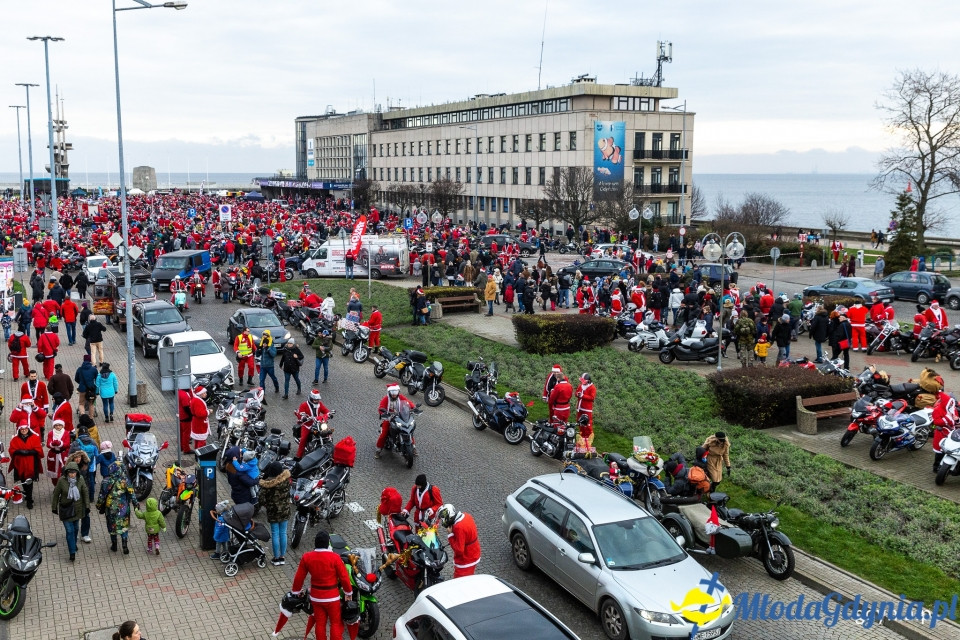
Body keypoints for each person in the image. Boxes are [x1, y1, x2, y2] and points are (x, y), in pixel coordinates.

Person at [290, 530, 353, 640]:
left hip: (316, 597)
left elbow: (299, 577)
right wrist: (348, 592)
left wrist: (295, 592)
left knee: (320, 623)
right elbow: (344, 577)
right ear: (328, 543)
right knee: (335, 623)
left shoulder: (307, 557)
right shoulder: (335, 558)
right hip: (333, 597)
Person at [96, 461, 137, 555]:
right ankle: (124, 544)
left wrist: (98, 505)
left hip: (110, 508)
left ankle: (114, 545)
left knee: (112, 525)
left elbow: (102, 496)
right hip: (123, 508)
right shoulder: (125, 480)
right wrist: (135, 504)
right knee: (124, 526)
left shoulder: (106, 481)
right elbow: (132, 493)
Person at [52, 460, 90, 561]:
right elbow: (56, 494)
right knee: (69, 530)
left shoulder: (80, 479)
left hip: (78, 509)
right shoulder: (61, 481)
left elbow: (85, 493)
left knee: (76, 528)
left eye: (74, 472)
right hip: (66, 509)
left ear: (77, 472)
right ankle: (72, 552)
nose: (72, 475)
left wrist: (87, 506)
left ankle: (73, 543)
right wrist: (54, 507)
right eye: (70, 472)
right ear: (67, 472)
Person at [260, 461, 292, 566]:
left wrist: (266, 504)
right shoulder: (286, 480)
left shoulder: (267, 484)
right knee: (283, 533)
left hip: (273, 511)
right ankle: (282, 557)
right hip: (285, 510)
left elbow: (261, 499)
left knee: (275, 533)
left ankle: (276, 557)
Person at [437, 504, 481, 578]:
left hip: (466, 560)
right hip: (474, 553)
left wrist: (450, 535)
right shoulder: (466, 515)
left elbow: (459, 550)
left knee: (459, 582)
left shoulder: (458, 527)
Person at [8, 422, 43, 509]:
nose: (24, 431)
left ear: (28, 429)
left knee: (29, 481)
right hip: (20, 464)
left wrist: (29, 452)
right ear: (19, 430)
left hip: (31, 463)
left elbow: (39, 450)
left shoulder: (34, 437)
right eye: (22, 429)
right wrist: (19, 451)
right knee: (23, 480)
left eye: (25, 429)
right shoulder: (15, 439)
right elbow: (11, 450)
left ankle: (29, 500)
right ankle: (27, 495)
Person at [376, 384, 416, 458]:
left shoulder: (400, 397)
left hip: (400, 416)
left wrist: (413, 407)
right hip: (389, 417)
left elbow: (408, 402)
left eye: (395, 392)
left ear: (398, 392)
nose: (394, 394)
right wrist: (384, 413)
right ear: (389, 392)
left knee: (408, 430)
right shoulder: (386, 399)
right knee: (384, 433)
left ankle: (413, 447)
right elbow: (381, 407)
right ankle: (378, 449)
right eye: (392, 392)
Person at [296, 390, 331, 459]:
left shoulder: (319, 404)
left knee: (327, 432)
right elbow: (301, 413)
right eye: (315, 400)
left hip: (318, 423)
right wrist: (304, 418)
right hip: (307, 424)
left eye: (317, 399)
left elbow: (326, 411)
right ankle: (298, 455)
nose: (316, 401)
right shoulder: (304, 405)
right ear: (311, 399)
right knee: (303, 439)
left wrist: (329, 414)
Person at [45, 419, 70, 486]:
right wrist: (52, 444)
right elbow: (48, 444)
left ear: (62, 426)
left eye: (59, 425)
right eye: (56, 425)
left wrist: (60, 443)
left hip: (63, 455)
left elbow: (67, 444)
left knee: (63, 472)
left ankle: (63, 487)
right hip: (53, 455)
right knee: (54, 474)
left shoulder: (66, 433)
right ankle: (56, 487)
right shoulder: (51, 433)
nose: (58, 427)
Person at [575, 373, 597, 448]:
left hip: (587, 409)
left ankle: (588, 442)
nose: (582, 382)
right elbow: (576, 392)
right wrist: (577, 394)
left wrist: (582, 396)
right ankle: (581, 441)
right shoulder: (580, 386)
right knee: (580, 424)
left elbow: (592, 397)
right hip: (580, 408)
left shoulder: (592, 387)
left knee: (587, 425)